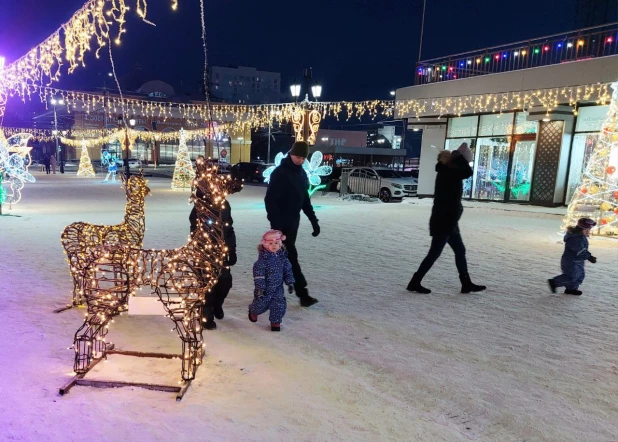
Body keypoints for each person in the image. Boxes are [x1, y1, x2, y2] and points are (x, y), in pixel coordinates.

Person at [407, 143, 486, 294]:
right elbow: (467, 172)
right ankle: (415, 282)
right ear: (448, 161)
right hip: (443, 220)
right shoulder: (447, 173)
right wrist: (460, 157)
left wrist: (458, 157)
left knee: (460, 250)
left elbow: (464, 171)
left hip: (448, 220)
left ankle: (466, 283)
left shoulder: (447, 171)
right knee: (434, 253)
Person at [264, 141, 320, 307]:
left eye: (303, 158)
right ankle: (302, 294)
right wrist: (276, 226)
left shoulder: (302, 174)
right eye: (298, 157)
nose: (301, 160)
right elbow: (270, 200)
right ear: (291, 154)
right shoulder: (279, 173)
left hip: (293, 224)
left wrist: (313, 221)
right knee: (290, 258)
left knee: (281, 260)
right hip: (280, 226)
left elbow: (305, 201)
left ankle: (268, 292)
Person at [191, 162, 242, 330]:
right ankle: (206, 314)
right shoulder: (200, 204)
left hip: (222, 251)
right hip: (204, 250)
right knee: (207, 283)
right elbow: (194, 230)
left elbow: (229, 228)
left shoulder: (224, 204)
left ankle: (217, 304)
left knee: (225, 281)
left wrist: (232, 249)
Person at [248, 230, 295, 331]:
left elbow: (288, 270)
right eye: (270, 243)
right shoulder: (261, 262)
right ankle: (253, 311)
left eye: (276, 243)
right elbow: (259, 276)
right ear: (265, 244)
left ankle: (275, 322)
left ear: (280, 244)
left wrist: (290, 282)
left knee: (279, 304)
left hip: (278, 288)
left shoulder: (283, 259)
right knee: (260, 304)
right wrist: (260, 289)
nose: (274, 246)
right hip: (264, 289)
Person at [548, 217, 597, 296]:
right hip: (571, 261)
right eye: (586, 230)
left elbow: (582, 249)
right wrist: (589, 257)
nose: (588, 232)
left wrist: (589, 256)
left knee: (579, 275)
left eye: (589, 230)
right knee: (571, 276)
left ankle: (571, 289)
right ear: (580, 229)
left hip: (578, 261)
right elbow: (580, 251)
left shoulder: (581, 237)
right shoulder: (575, 239)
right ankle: (554, 282)